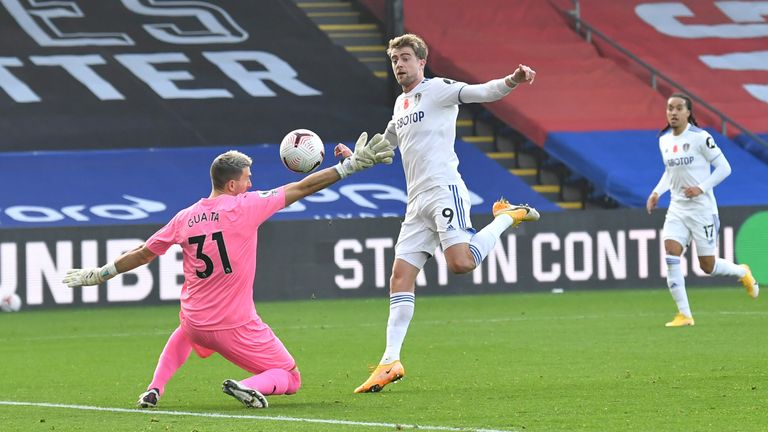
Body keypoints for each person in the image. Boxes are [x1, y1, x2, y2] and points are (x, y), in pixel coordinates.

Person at [62, 133, 394, 408]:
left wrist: (99, 274)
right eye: (247, 180)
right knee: (290, 375)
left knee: (185, 331)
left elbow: (142, 253)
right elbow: (303, 187)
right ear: (233, 185)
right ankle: (250, 387)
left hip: (195, 321)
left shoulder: (184, 217)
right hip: (235, 325)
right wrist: (349, 166)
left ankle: (154, 388)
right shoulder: (246, 207)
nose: (251, 185)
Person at [352, 33, 540, 394]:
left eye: (405, 58)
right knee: (399, 277)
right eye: (394, 60)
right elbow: (386, 142)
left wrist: (513, 80)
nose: (399, 65)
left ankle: (506, 216)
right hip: (415, 200)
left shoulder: (439, 89)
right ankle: (390, 361)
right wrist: (355, 156)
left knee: (461, 264)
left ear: (421, 61)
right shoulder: (400, 105)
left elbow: (482, 92)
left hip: (443, 189)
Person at [646, 93, 759, 327]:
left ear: (688, 113)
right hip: (677, 207)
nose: (673, 113)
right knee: (670, 253)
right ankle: (684, 315)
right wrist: (657, 192)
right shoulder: (664, 140)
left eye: (679, 108)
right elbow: (670, 172)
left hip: (702, 209)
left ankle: (741, 272)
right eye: (670, 109)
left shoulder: (700, 138)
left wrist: (701, 187)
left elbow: (724, 168)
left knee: (707, 266)